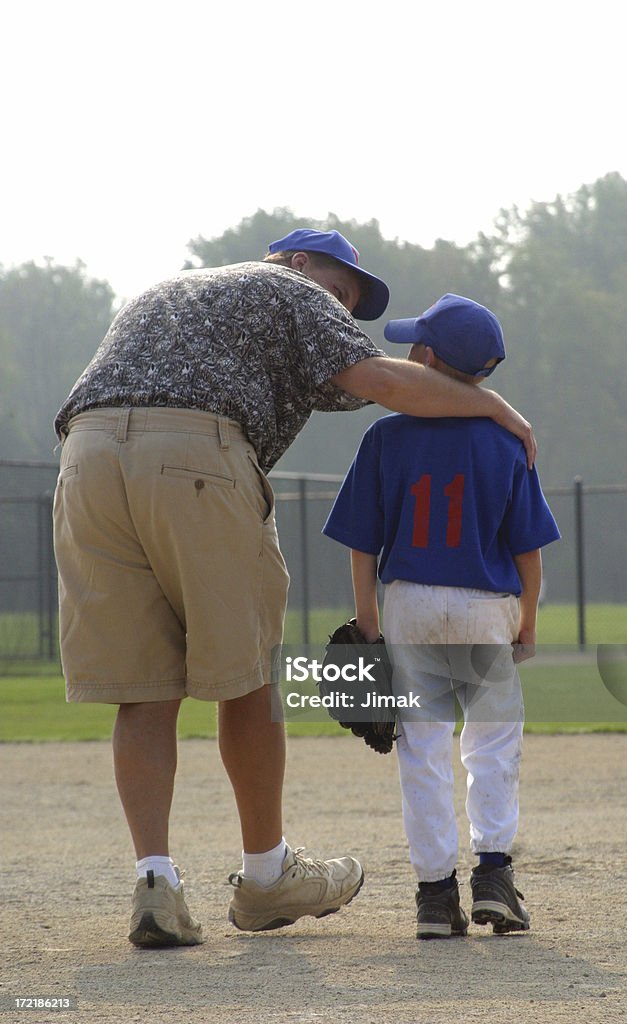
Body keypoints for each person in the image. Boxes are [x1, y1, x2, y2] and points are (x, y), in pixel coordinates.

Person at [53, 231, 538, 949]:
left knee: (142, 688)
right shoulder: (286, 287)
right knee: (246, 673)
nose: (344, 312)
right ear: (300, 262)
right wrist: (496, 406)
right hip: (190, 457)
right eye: (342, 292)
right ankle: (265, 873)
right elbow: (390, 383)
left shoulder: (178, 291)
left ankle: (155, 882)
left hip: (85, 458)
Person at [322, 294, 560, 939]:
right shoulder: (508, 439)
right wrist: (528, 623)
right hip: (487, 607)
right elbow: (527, 552)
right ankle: (494, 878)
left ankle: (434, 897)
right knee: (492, 745)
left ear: (425, 359)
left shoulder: (386, 435)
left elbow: (362, 544)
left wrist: (367, 621)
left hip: (409, 604)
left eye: (412, 346)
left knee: (421, 751)